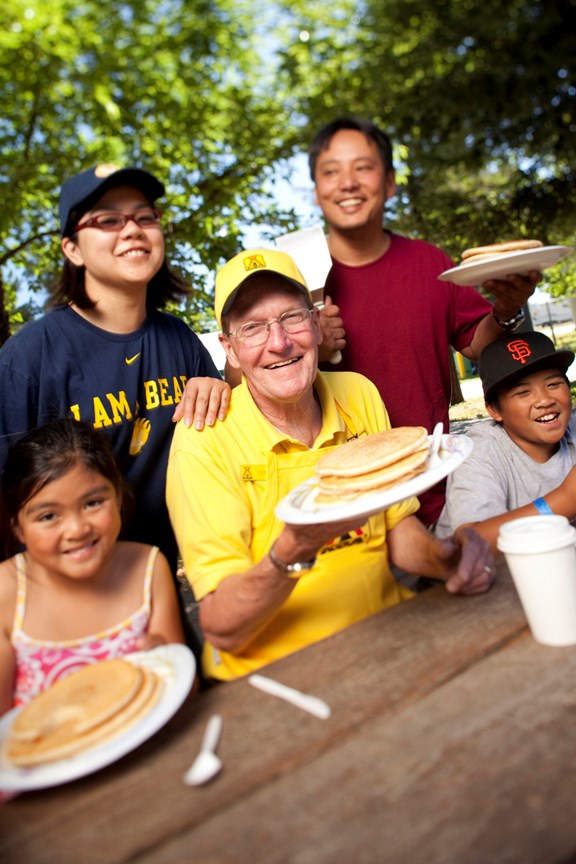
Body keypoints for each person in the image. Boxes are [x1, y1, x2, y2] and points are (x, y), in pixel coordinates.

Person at [166, 247, 494, 683]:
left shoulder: (358, 393)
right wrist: (294, 549)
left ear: (317, 323)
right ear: (229, 349)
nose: (279, 342)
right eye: (253, 328)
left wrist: (449, 557)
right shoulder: (204, 437)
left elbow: (398, 531)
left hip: (390, 632)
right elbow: (221, 626)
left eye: (291, 318)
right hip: (278, 675)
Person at [308, 116, 540, 526]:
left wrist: (505, 311)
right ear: (316, 191)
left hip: (434, 495)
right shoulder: (294, 275)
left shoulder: (430, 262)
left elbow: (476, 343)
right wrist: (309, 347)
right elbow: (249, 381)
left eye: (362, 167)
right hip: (342, 507)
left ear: (390, 182)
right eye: (331, 171)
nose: (347, 182)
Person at [0, 164, 230, 574]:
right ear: (71, 249)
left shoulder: (178, 338)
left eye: (145, 217)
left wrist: (223, 388)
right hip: (63, 594)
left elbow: (225, 438)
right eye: (108, 220)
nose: (133, 229)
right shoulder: (27, 359)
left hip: (157, 579)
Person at [0, 418, 185, 714]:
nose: (76, 529)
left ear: (118, 497)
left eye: (93, 503)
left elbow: (184, 697)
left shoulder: (148, 568)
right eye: (48, 517)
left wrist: (169, 664)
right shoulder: (6, 592)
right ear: (18, 529)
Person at [435, 331, 576, 552]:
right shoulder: (479, 450)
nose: (545, 400)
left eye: (553, 384)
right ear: (494, 409)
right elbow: (471, 540)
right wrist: (567, 499)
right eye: (523, 392)